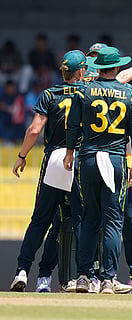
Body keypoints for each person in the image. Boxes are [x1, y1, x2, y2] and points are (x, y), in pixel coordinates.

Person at [63, 46, 132, 294]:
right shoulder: (129, 93)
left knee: (89, 218)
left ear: (98, 67)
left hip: (88, 159)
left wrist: (69, 151)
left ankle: (84, 276)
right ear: (117, 67)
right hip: (116, 160)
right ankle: (108, 279)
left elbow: (73, 126)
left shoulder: (84, 90)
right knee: (113, 222)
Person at [9, 50, 86, 292]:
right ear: (82, 70)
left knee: (40, 220)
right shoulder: (88, 93)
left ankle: (22, 270)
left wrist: (22, 156)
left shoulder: (49, 94)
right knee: (73, 222)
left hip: (53, 159)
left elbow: (34, 130)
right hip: (77, 160)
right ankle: (51, 277)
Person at [82, 40, 132, 295]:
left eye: (96, 57)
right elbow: (120, 79)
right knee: (89, 220)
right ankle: (89, 276)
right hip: (101, 159)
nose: (91, 62)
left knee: (126, 220)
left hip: (101, 159)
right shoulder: (93, 82)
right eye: (90, 56)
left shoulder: (95, 86)